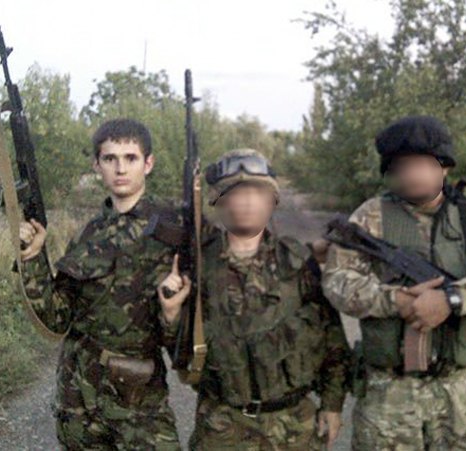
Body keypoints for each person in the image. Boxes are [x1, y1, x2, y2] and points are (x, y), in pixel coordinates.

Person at [322, 115, 466, 450]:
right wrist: (398, 301)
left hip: (461, 392)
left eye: (422, 164)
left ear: (444, 167)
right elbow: (337, 282)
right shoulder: (369, 216)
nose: (412, 174)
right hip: (388, 394)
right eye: (402, 166)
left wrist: (453, 299)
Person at [19, 118, 187, 450]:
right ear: (97, 165)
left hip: (140, 403)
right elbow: (57, 318)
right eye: (110, 159)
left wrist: (172, 314)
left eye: (130, 158)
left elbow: (186, 344)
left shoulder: (174, 231)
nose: (120, 168)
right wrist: (34, 259)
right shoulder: (86, 234)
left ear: (148, 163)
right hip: (79, 399)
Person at [183, 149, 350, 450]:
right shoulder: (197, 264)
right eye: (236, 192)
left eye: (257, 192)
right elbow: (180, 350)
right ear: (219, 199)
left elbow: (332, 339)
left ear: (272, 200)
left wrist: (333, 404)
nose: (247, 201)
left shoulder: (297, 261)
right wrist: (171, 313)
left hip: (294, 427)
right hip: (222, 426)